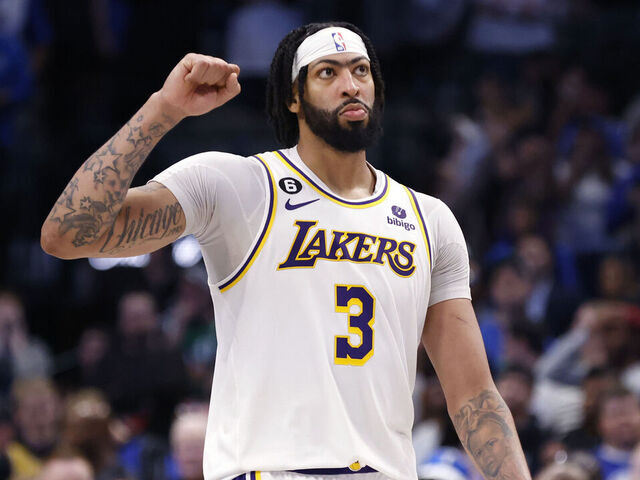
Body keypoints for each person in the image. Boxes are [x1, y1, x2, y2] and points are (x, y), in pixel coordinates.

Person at [41, 21, 532, 480]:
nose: (350, 85)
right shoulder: (239, 187)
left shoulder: (429, 219)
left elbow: (474, 397)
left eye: (361, 70)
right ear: (294, 97)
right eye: (328, 73)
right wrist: (163, 109)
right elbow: (68, 234)